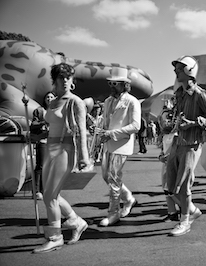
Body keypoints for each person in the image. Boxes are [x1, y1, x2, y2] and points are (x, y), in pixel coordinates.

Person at [32, 63, 91, 253]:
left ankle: (55, 237)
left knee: (49, 195)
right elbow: (51, 128)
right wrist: (34, 136)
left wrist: (84, 157)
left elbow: (82, 131)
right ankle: (75, 221)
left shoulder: (75, 102)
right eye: (61, 77)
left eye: (68, 77)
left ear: (72, 81)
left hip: (64, 150)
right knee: (51, 194)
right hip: (50, 148)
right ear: (54, 80)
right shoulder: (53, 101)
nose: (65, 81)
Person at [166, 55, 206, 236]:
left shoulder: (200, 95)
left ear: (189, 70)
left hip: (192, 144)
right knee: (170, 187)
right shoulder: (179, 95)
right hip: (177, 143)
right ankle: (193, 210)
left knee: (184, 185)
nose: (175, 72)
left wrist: (193, 123)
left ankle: (185, 220)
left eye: (179, 69)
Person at [97, 67, 141, 227]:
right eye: (110, 83)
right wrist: (101, 131)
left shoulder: (132, 101)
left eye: (116, 83)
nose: (112, 86)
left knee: (114, 178)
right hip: (108, 143)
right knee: (106, 176)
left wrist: (112, 133)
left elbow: (136, 126)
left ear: (125, 85)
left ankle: (113, 213)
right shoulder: (108, 101)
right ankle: (129, 198)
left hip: (122, 144)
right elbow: (106, 121)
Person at [30, 91, 56, 200]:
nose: (49, 99)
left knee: (50, 167)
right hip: (43, 141)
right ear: (45, 99)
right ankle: (36, 191)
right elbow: (33, 125)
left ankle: (45, 189)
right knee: (41, 166)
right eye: (47, 97)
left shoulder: (57, 110)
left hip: (54, 142)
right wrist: (43, 122)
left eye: (51, 97)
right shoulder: (40, 111)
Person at [157, 97, 180, 222]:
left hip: (174, 164)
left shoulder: (176, 135)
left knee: (173, 189)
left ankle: (185, 208)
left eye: (169, 118)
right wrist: (161, 155)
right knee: (166, 189)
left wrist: (169, 156)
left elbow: (176, 149)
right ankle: (172, 212)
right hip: (165, 164)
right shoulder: (165, 135)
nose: (166, 122)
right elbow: (163, 149)